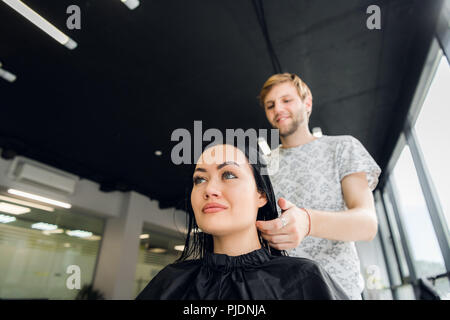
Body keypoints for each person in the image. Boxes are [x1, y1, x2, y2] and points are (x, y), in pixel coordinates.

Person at [135, 142, 349, 300]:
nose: (209, 189)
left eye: (228, 175)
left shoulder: (306, 279)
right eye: (200, 179)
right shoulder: (168, 283)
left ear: (261, 195)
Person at [256, 73, 382, 299]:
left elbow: (367, 224)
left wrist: (308, 221)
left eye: (286, 100)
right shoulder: (263, 166)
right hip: (283, 292)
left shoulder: (343, 148)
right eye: (270, 105)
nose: (278, 109)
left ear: (307, 103)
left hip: (340, 290)